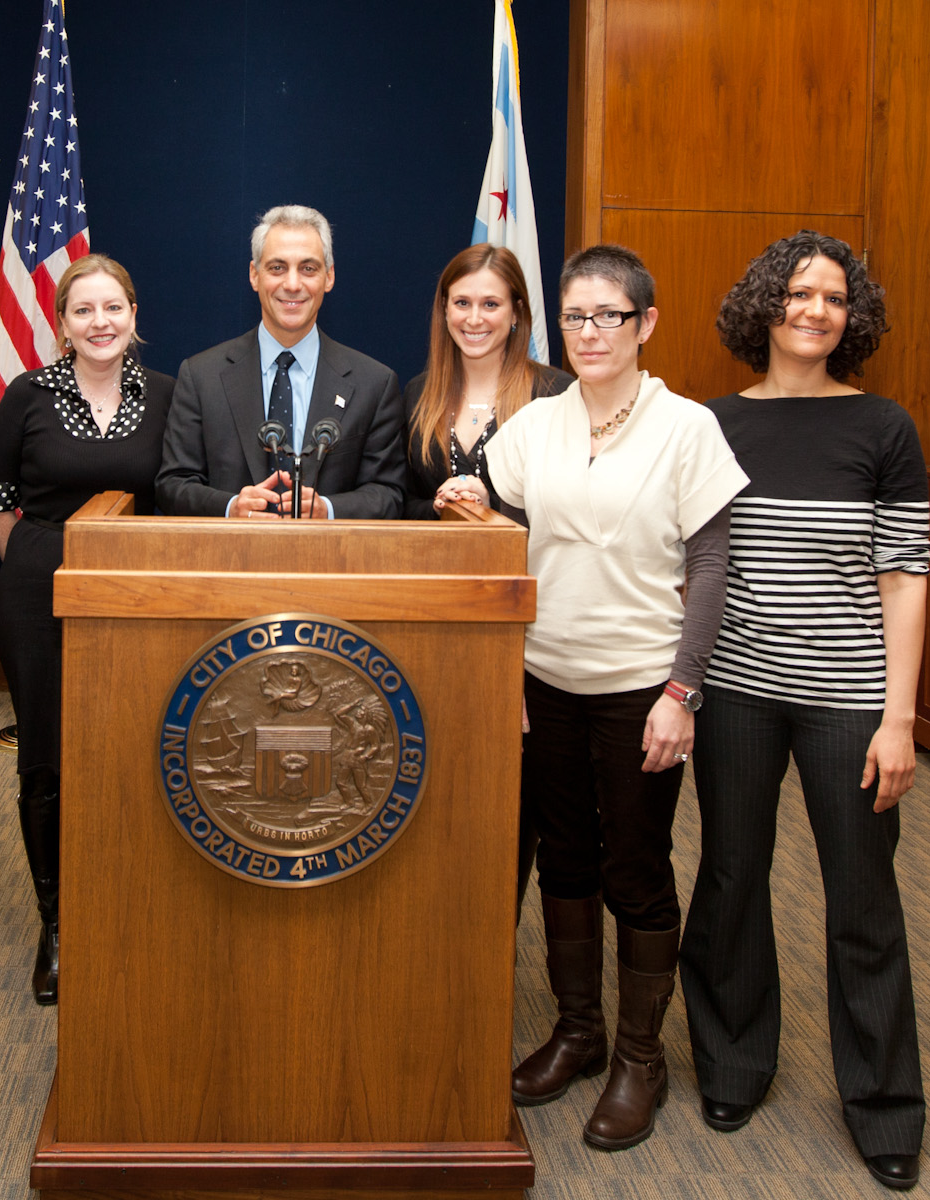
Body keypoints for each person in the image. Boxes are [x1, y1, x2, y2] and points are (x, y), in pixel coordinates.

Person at [679, 230, 928, 1192]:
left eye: (834, 299)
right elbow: (695, 569)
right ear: (763, 309)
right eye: (798, 294)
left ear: (851, 317)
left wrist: (898, 719)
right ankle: (734, 1064)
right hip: (736, 691)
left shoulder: (883, 427)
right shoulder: (712, 424)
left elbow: (905, 578)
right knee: (733, 874)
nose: (816, 311)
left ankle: (884, 1108)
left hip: (849, 704)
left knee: (863, 902)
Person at [483, 244, 746, 1150]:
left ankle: (642, 1056)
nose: (591, 333)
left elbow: (711, 565)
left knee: (634, 866)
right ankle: (579, 1033)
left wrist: (684, 690)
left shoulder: (688, 428)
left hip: (643, 685)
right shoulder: (533, 425)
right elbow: (503, 545)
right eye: (577, 316)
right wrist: (504, 665)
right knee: (563, 859)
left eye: (611, 316)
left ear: (647, 324)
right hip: (546, 680)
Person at [0, 253, 174, 1006]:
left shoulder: (165, 393)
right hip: (41, 588)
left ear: (133, 317)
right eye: (83, 310)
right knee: (49, 757)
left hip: (134, 593)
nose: (100, 323)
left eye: (112, 308)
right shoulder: (28, 394)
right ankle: (56, 922)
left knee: (133, 747)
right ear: (61, 324)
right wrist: (23, 571)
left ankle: (125, 904)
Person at [156, 205, 405, 519]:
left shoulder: (374, 384)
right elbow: (172, 485)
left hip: (331, 563)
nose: (292, 284)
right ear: (254, 275)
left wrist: (328, 510)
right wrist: (230, 508)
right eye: (277, 268)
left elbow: (390, 493)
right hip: (229, 563)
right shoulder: (201, 376)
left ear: (329, 277)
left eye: (308, 268)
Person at [404, 244, 571, 521]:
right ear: (445, 309)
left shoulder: (554, 394)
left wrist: (490, 506)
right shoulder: (417, 394)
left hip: (524, 564)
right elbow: (401, 504)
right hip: (432, 561)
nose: (474, 319)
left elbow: (566, 508)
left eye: (490, 304)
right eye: (462, 303)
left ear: (516, 311)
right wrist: (440, 506)